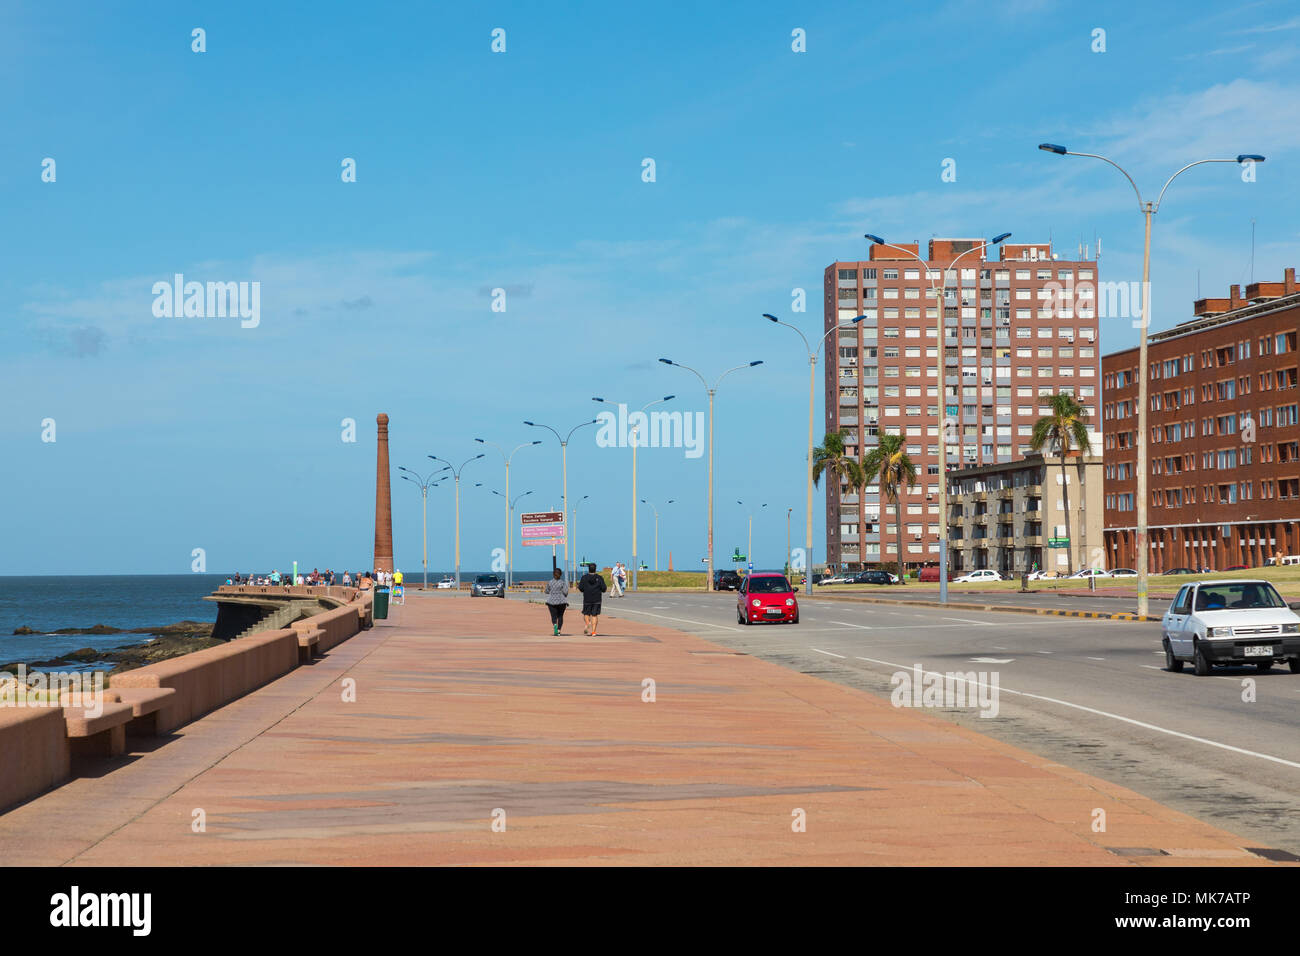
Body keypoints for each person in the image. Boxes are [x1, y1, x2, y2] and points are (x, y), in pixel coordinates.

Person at [577, 562, 607, 636]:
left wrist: (585, 589)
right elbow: (604, 588)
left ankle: (588, 623)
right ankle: (593, 631)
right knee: (594, 615)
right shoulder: (599, 578)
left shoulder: (584, 577)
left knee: (586, 613)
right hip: (597, 599)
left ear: (588, 569)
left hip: (587, 598)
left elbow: (580, 588)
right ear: (595, 569)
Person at [543, 567, 569, 636]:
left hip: (551, 602)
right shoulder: (562, 583)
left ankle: (555, 624)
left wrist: (552, 592)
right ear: (560, 574)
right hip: (561, 602)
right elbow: (565, 592)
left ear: (553, 574)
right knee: (560, 616)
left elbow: (546, 591)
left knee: (553, 616)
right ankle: (559, 630)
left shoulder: (550, 582)